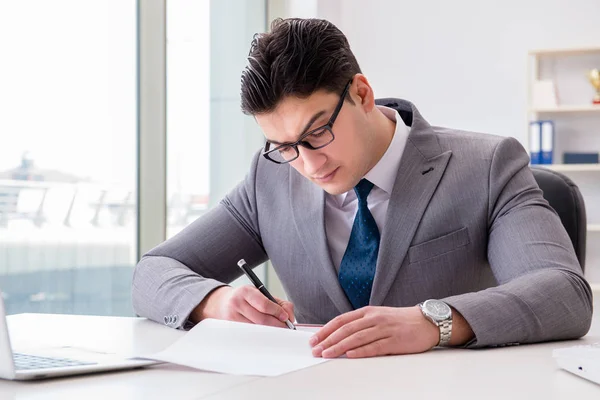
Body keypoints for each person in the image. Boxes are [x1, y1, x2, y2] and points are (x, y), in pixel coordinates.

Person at [132, 18, 592, 358]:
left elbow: (564, 293)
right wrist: (217, 301)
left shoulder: (487, 166)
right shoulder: (268, 177)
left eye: (317, 133)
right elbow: (153, 272)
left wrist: (434, 321)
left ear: (362, 93)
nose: (309, 164)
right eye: (284, 145)